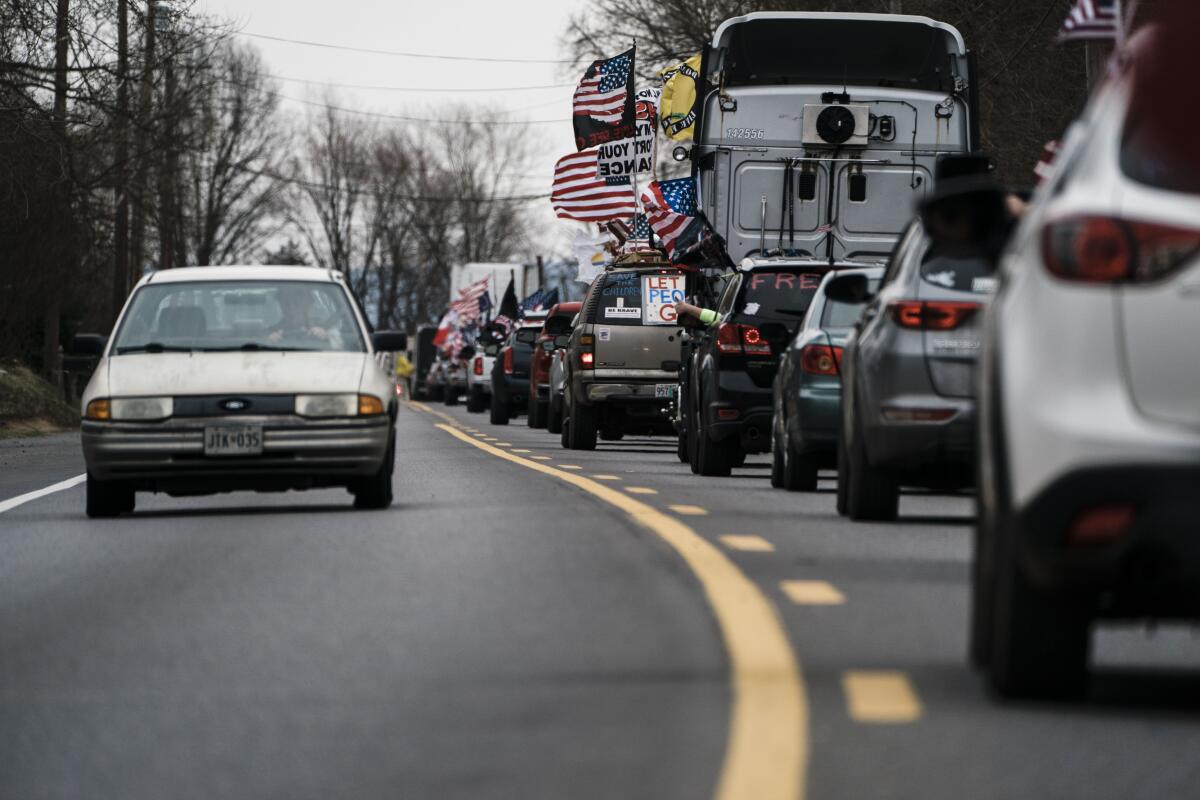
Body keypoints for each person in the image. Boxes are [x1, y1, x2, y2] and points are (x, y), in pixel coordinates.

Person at [268, 285, 334, 347]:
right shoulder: (270, 332)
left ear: (309, 304)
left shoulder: (329, 328)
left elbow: (340, 346)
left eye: (297, 302)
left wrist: (326, 338)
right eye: (286, 303)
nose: (291, 308)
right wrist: (268, 343)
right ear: (281, 306)